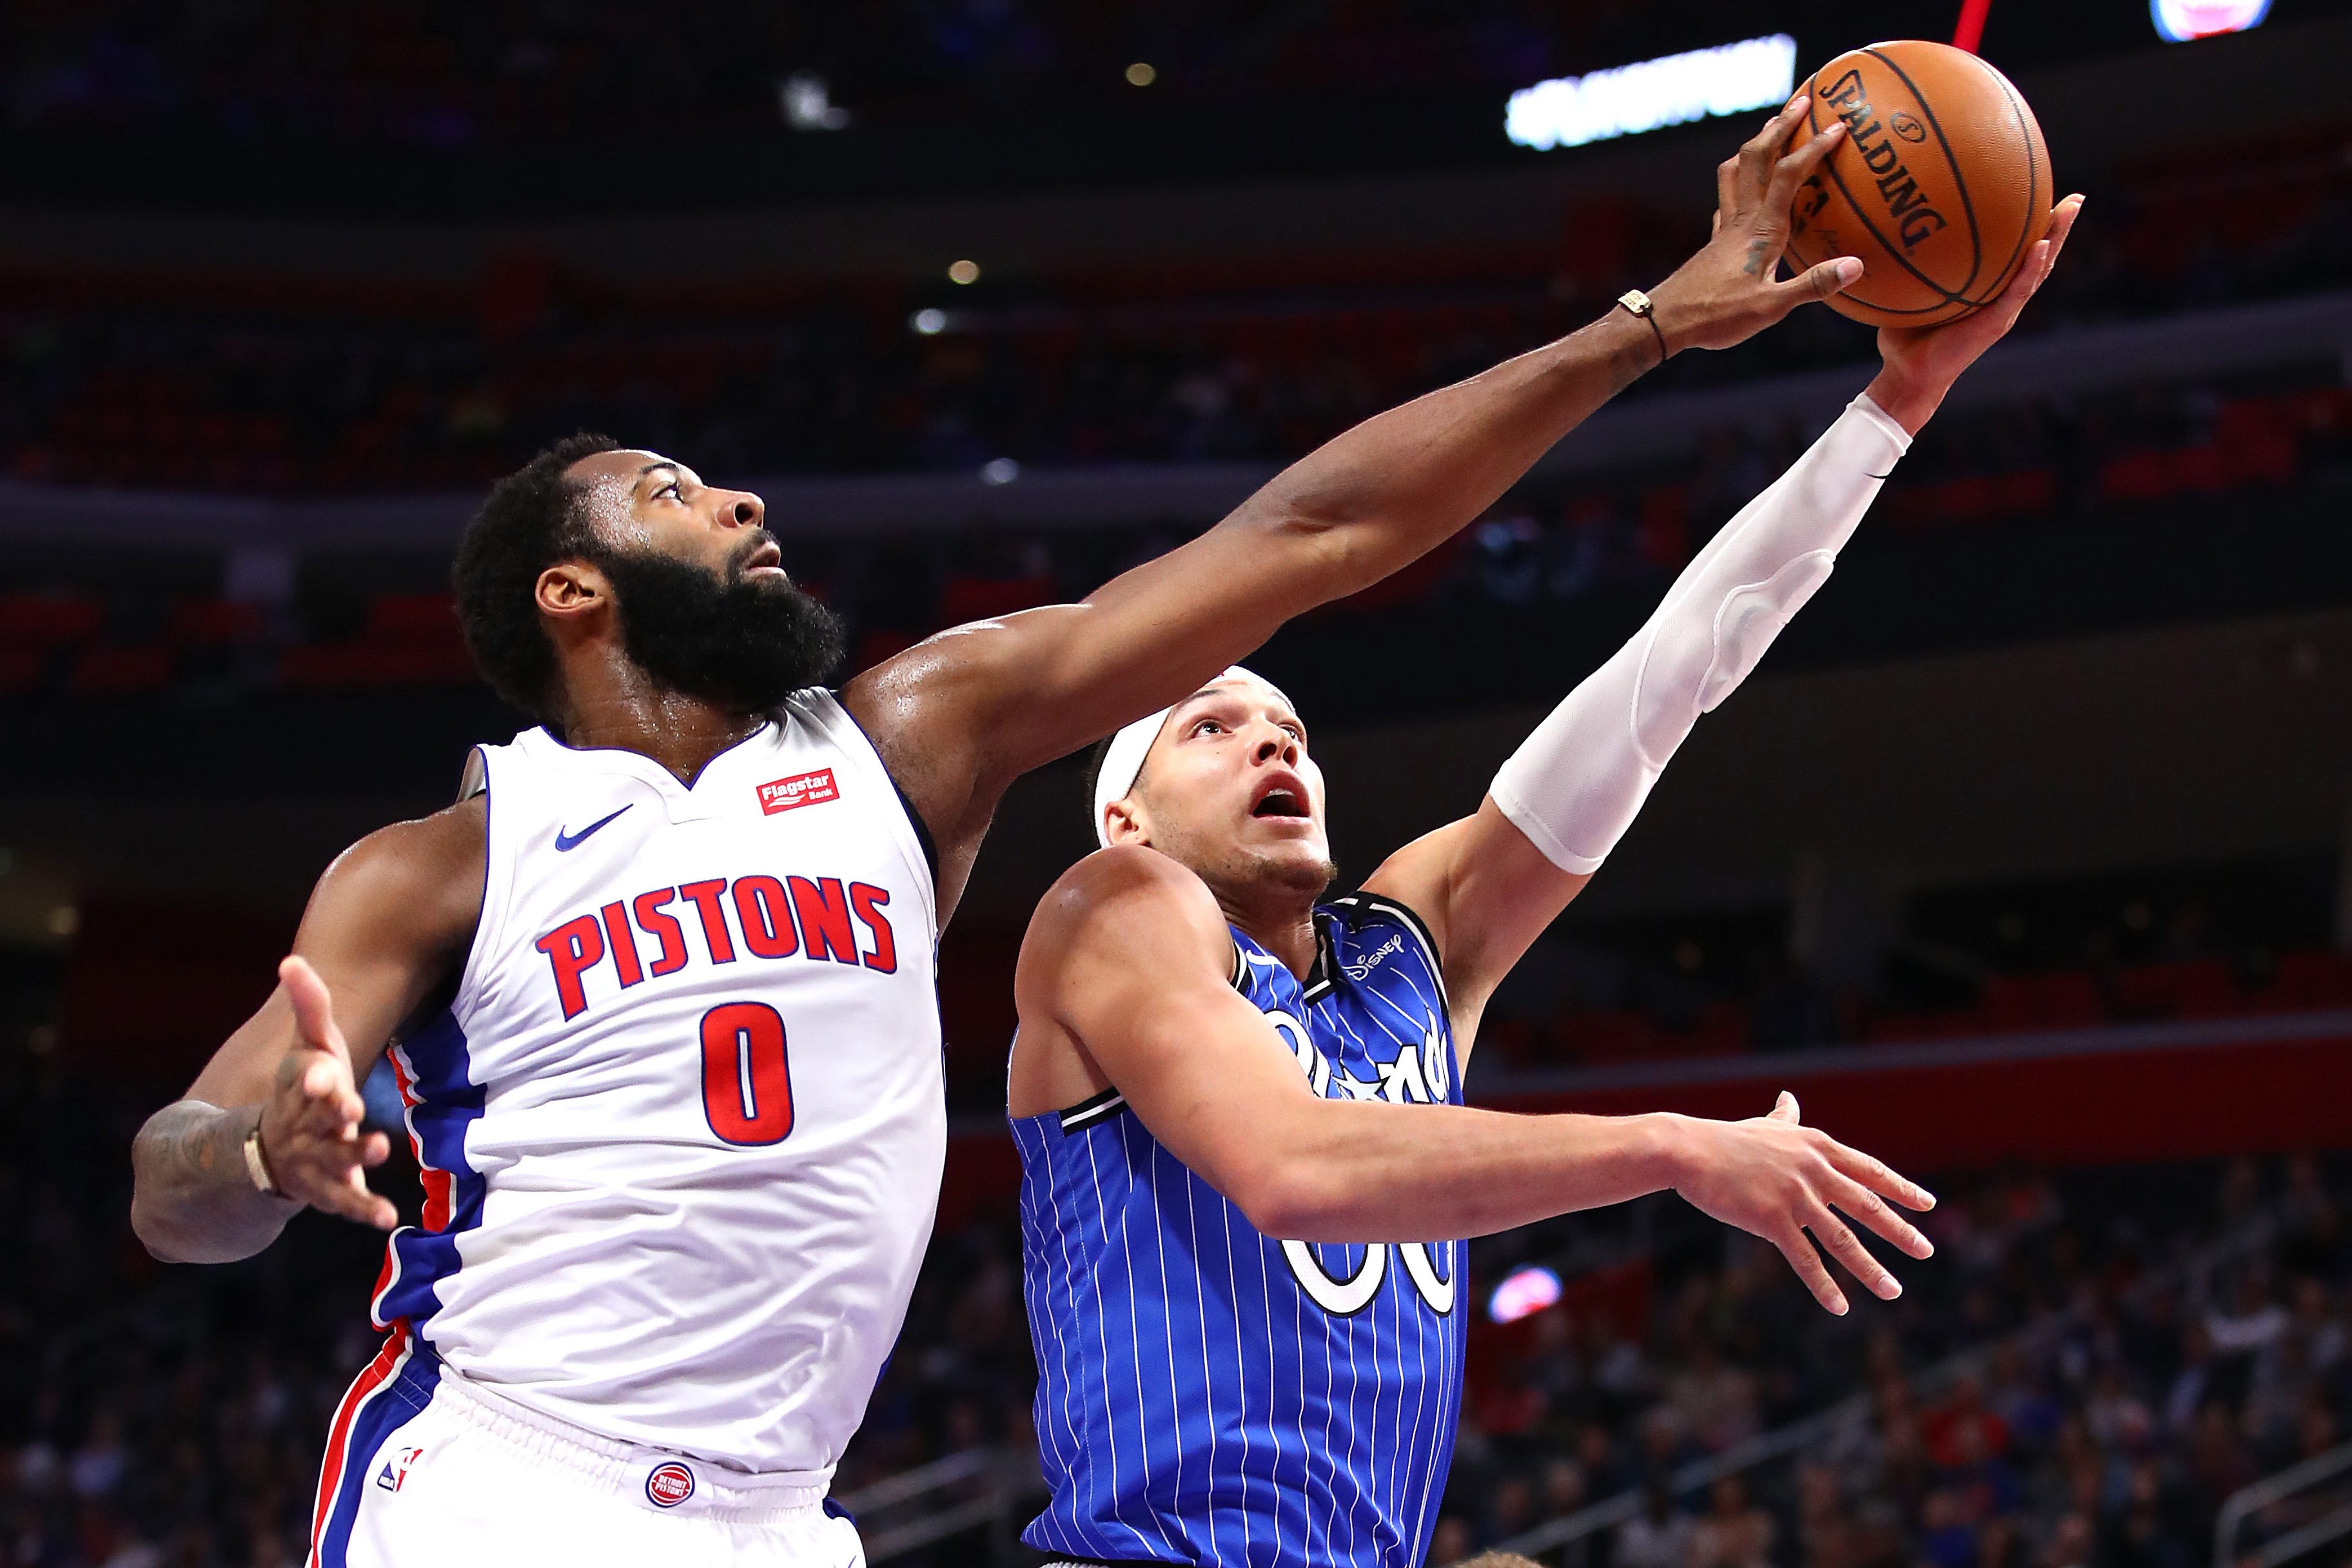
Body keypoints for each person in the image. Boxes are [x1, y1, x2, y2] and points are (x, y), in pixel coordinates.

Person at [122, 90, 1890, 1568]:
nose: (738, 497)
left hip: (781, 1522)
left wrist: (1647, 324)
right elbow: (169, 1175)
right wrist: (258, 1164)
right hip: (503, 1476)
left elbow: (1314, 533)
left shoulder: (907, 742)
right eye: (673, 493)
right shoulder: (443, 862)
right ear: (572, 592)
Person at [1006, 151, 2086, 1568]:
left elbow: (1674, 671)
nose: (1276, 745)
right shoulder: (1113, 908)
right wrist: (1669, 1146)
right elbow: (1291, 1165)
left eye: (1291, 725)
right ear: (1124, 815)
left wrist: (1898, 403)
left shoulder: (1409, 951)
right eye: (1212, 726)